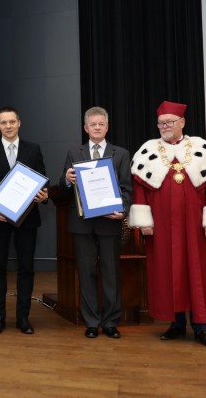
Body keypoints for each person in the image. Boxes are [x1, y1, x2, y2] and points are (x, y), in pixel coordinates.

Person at [129, 100, 206, 348]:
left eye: (170, 122)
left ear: (182, 122)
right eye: (161, 123)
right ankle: (175, 324)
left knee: (197, 273)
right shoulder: (147, 151)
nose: (165, 126)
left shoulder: (201, 149)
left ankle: (201, 327)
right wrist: (144, 221)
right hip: (161, 228)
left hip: (196, 228)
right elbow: (140, 191)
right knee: (167, 272)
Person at [59, 106, 132, 339]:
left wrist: (122, 210)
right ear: (85, 128)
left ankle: (111, 322)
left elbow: (127, 189)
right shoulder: (74, 153)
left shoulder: (120, 153)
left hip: (109, 222)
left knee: (111, 273)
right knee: (86, 272)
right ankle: (91, 322)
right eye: (93, 124)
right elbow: (64, 187)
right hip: (82, 224)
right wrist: (67, 180)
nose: (97, 128)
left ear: (107, 127)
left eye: (101, 124)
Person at [0, 107, 49, 335]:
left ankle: (23, 317)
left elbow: (42, 180)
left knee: (26, 267)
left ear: (19, 123)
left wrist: (45, 195)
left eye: (12, 122)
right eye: (3, 122)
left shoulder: (33, 149)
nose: (8, 126)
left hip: (27, 219)